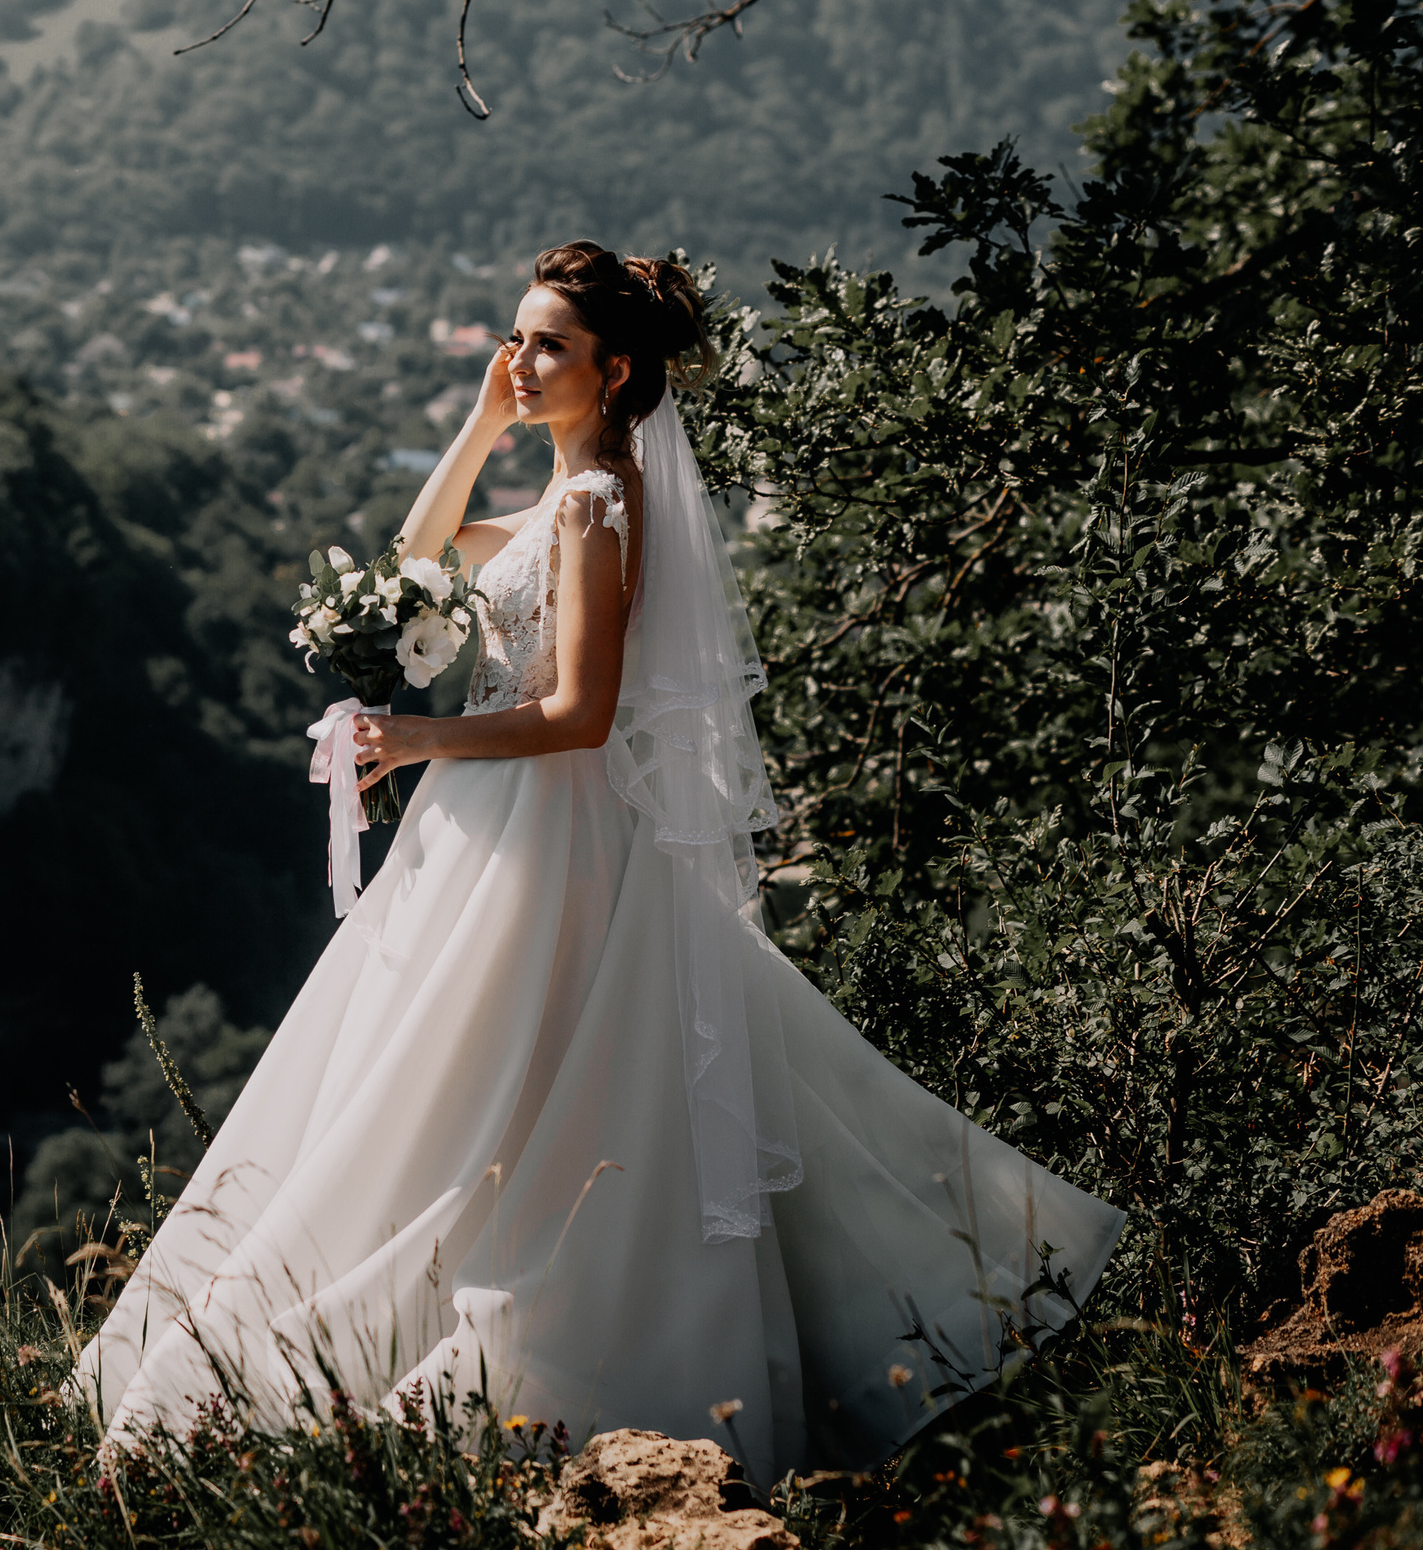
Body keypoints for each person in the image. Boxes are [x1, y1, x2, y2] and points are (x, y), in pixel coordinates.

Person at [74, 241, 1123, 1479]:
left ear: (614, 368)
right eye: (515, 338)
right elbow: (420, 556)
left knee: (493, 1089)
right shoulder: (566, 491)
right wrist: (477, 420)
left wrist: (414, 734)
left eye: (548, 345)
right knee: (455, 1084)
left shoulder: (596, 506)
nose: (521, 360)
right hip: (485, 821)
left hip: (543, 829)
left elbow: (579, 711)